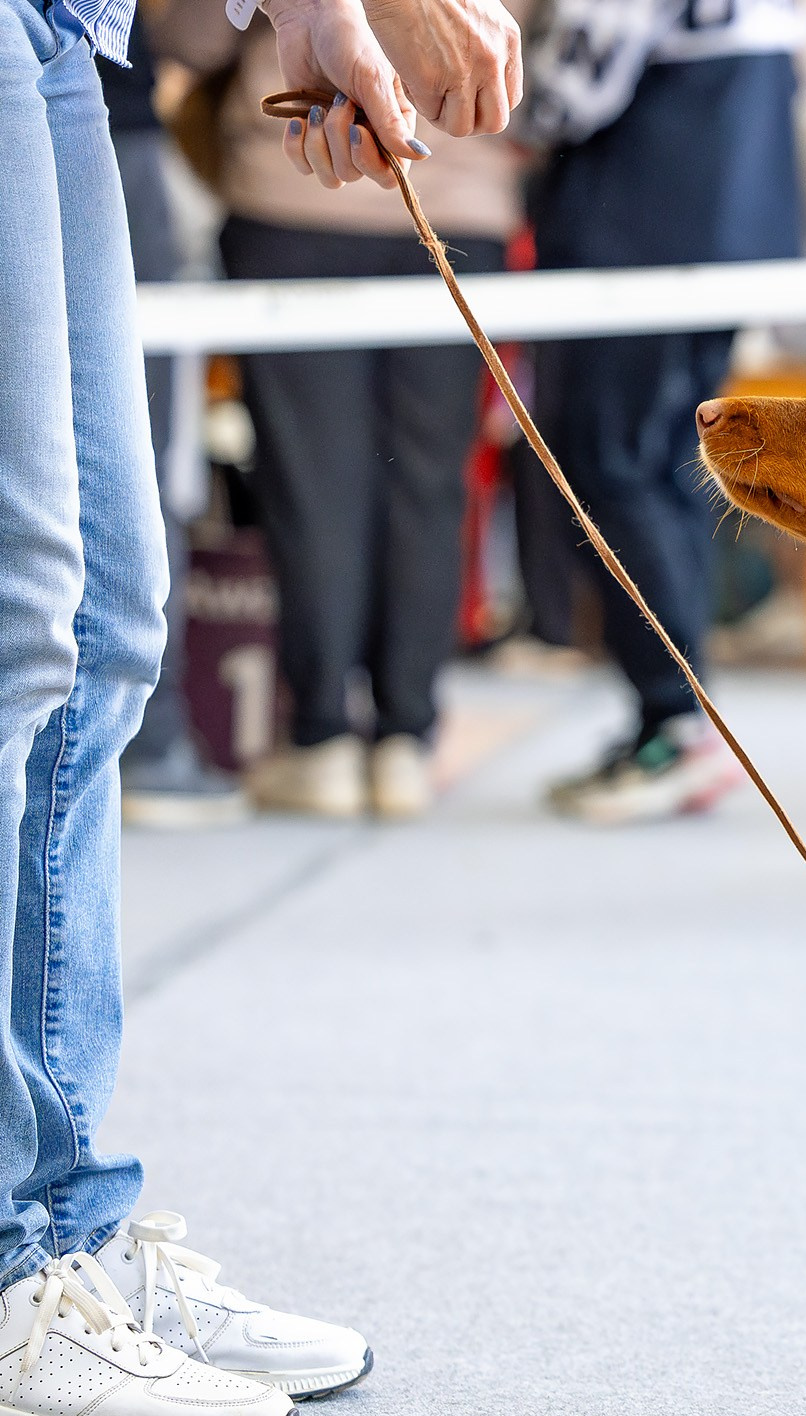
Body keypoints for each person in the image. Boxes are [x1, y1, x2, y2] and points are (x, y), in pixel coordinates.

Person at [1, 0, 516, 1416]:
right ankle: (4, 1261)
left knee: (107, 622)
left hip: (66, 32)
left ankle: (61, 1226)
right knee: (19, 621)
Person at [157, 0, 530, 821]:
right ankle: (405, 738)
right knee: (431, 484)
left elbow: (189, 35)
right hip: (460, 189)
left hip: (295, 199)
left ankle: (323, 738)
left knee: (311, 484)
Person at [528, 0, 804, 825]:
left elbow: (573, 83)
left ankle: (676, 719)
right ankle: (673, 715)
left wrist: (505, 106)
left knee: (613, 461)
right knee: (674, 464)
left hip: (642, 222)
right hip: (734, 216)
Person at [105, 13, 253, 829]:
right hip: (91, 125)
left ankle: (145, 741)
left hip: (86, 116)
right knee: (125, 461)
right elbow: (195, 31)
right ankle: (150, 745)